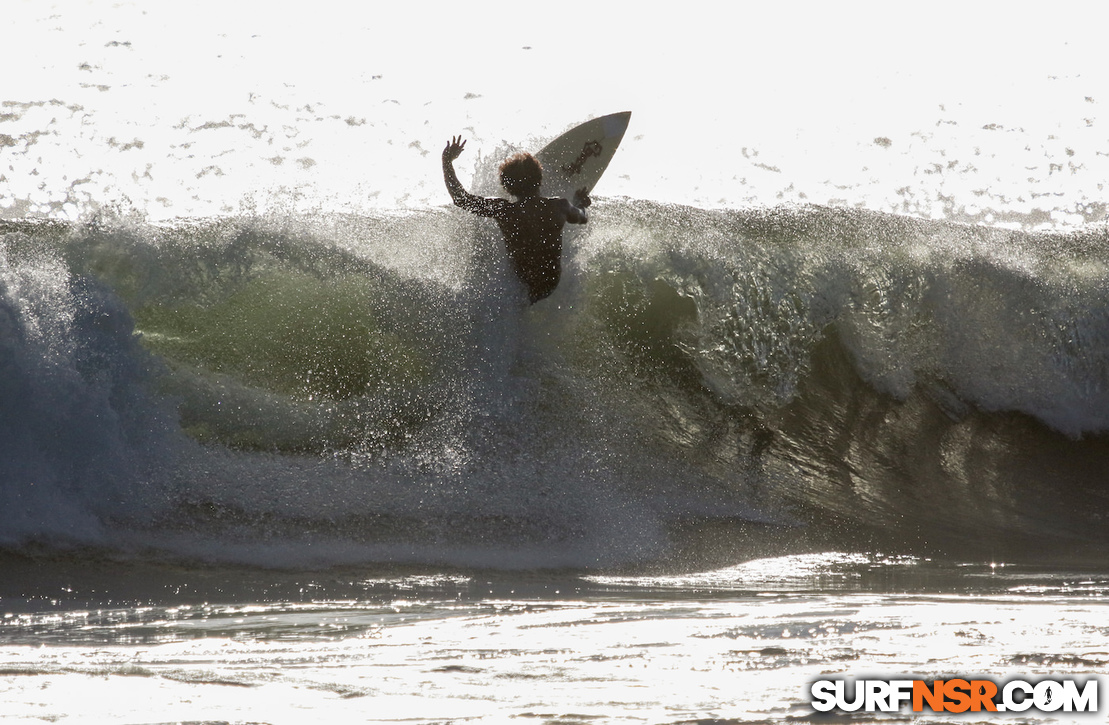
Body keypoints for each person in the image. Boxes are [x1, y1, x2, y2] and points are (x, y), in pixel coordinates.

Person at [442, 135, 590, 304]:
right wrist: (580, 203)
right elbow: (582, 217)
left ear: (506, 187)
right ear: (539, 179)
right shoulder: (560, 206)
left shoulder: (505, 210)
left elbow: (461, 199)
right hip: (549, 285)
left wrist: (446, 160)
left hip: (521, 287)